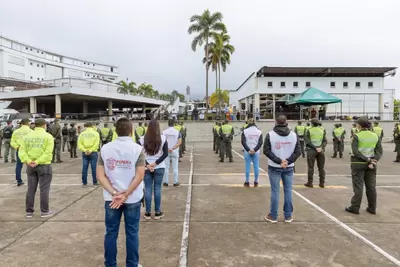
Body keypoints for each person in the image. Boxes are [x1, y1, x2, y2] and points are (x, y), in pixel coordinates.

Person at [96, 117, 145, 267]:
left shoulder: (105, 148)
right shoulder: (137, 149)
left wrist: (114, 193)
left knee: (111, 233)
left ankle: (110, 264)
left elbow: (99, 175)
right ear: (131, 131)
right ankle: (132, 264)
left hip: (111, 198)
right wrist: (126, 194)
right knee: (132, 233)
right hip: (132, 198)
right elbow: (140, 175)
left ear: (116, 131)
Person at [263, 115, 301, 223]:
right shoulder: (294, 135)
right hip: (289, 167)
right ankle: (288, 216)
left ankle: (273, 215)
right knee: (288, 191)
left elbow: (266, 151)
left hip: (275, 167)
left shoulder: (270, 135)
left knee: (275, 191)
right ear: (286, 122)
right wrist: (287, 161)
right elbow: (298, 152)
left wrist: (279, 161)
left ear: (275, 122)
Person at [345, 117, 383, 215]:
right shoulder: (375, 136)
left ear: (359, 125)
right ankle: (372, 208)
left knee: (358, 186)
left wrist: (367, 159)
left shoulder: (356, 136)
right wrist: (373, 161)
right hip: (371, 164)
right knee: (371, 186)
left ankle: (355, 207)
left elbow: (355, 152)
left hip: (358, 163)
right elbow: (379, 151)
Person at [19, 118, 55, 218]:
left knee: (31, 188)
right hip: (43, 165)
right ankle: (44, 211)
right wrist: (38, 161)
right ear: (44, 125)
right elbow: (48, 153)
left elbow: (22, 151)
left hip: (30, 165)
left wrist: (28, 161)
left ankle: (29, 211)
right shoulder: (48, 137)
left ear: (35, 125)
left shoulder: (27, 137)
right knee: (44, 189)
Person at [140, 120, 169, 220]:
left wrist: (148, 165)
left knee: (147, 189)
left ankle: (147, 213)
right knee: (157, 189)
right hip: (159, 167)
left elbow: (139, 154)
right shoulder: (163, 138)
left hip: (146, 168)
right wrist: (156, 164)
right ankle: (157, 212)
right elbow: (165, 154)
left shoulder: (142, 139)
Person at [304, 118, 327, 188]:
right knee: (321, 168)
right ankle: (322, 183)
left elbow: (308, 141)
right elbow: (325, 141)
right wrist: (321, 147)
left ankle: (310, 183)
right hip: (320, 150)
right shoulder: (322, 130)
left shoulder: (309, 130)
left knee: (311, 167)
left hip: (312, 150)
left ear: (312, 124)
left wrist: (315, 148)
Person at [11, 118, 33, 186]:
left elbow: (12, 141)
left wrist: (17, 146)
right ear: (28, 123)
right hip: (28, 150)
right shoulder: (31, 131)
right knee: (30, 165)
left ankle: (19, 180)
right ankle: (31, 181)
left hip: (20, 149)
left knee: (19, 165)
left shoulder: (16, 131)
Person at [241, 118, 263, 187]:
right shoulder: (259, 132)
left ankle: (247, 182)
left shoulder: (245, 131)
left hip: (247, 151)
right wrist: (255, 149)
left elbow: (243, 142)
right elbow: (260, 143)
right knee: (256, 166)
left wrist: (248, 149)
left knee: (247, 166)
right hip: (256, 151)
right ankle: (256, 182)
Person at [78, 122, 100, 186]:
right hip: (93, 152)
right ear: (92, 126)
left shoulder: (82, 134)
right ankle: (95, 181)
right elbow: (97, 144)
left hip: (84, 152)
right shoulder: (96, 133)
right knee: (93, 167)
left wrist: (85, 150)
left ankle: (84, 182)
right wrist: (91, 150)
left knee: (85, 167)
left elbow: (79, 144)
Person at [163, 119, 182, 187]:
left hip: (166, 151)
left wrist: (168, 148)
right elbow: (179, 142)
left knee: (166, 167)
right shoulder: (178, 132)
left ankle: (166, 181)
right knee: (175, 167)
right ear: (174, 124)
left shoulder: (164, 132)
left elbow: (162, 142)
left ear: (168, 124)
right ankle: (175, 182)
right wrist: (173, 148)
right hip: (174, 151)